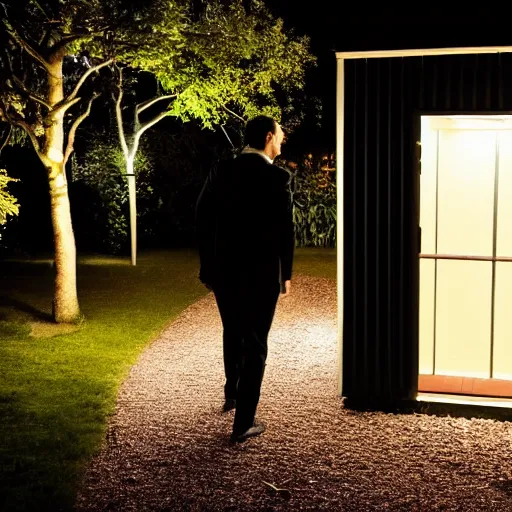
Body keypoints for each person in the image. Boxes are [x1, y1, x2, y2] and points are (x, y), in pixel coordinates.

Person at [195, 115, 295, 443]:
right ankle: (243, 423)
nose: (281, 141)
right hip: (261, 272)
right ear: (268, 137)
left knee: (233, 330)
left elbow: (203, 218)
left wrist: (207, 266)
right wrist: (286, 273)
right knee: (255, 344)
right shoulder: (277, 177)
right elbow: (285, 230)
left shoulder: (221, 171)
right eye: (280, 136)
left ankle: (231, 393)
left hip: (224, 270)